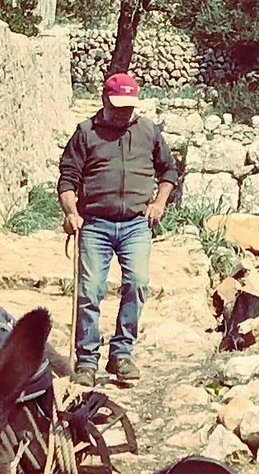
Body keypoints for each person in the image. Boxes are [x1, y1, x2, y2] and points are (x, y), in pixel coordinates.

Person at [57, 71, 175, 386]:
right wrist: (71, 212)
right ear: (104, 100)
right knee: (89, 291)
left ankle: (121, 354)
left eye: (128, 106)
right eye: (118, 105)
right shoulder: (86, 133)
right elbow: (68, 178)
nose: (124, 113)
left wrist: (159, 203)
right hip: (94, 223)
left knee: (137, 283)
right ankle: (86, 361)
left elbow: (168, 171)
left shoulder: (148, 131)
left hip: (136, 224)